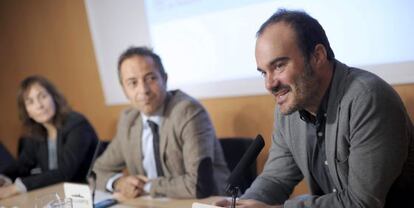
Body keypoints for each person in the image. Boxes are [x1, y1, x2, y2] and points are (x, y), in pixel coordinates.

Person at [215, 9, 414, 208]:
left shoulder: (368, 99)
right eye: (263, 73)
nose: (269, 84)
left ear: (317, 56)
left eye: (279, 66)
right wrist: (241, 205)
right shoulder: (289, 107)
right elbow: (275, 179)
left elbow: (362, 203)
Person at [93, 46, 229, 199]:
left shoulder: (188, 112)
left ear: (164, 79)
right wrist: (117, 183)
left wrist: (147, 186)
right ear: (124, 90)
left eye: (151, 78)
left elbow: (198, 184)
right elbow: (96, 172)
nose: (143, 90)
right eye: (133, 83)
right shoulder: (128, 120)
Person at [0, 75, 98, 199]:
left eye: (43, 96)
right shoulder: (37, 132)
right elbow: (22, 164)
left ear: (54, 97)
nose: (39, 105)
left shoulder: (77, 124)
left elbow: (65, 172)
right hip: (58, 196)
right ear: (27, 111)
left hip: (88, 194)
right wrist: (3, 177)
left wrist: (16, 188)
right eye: (30, 102)